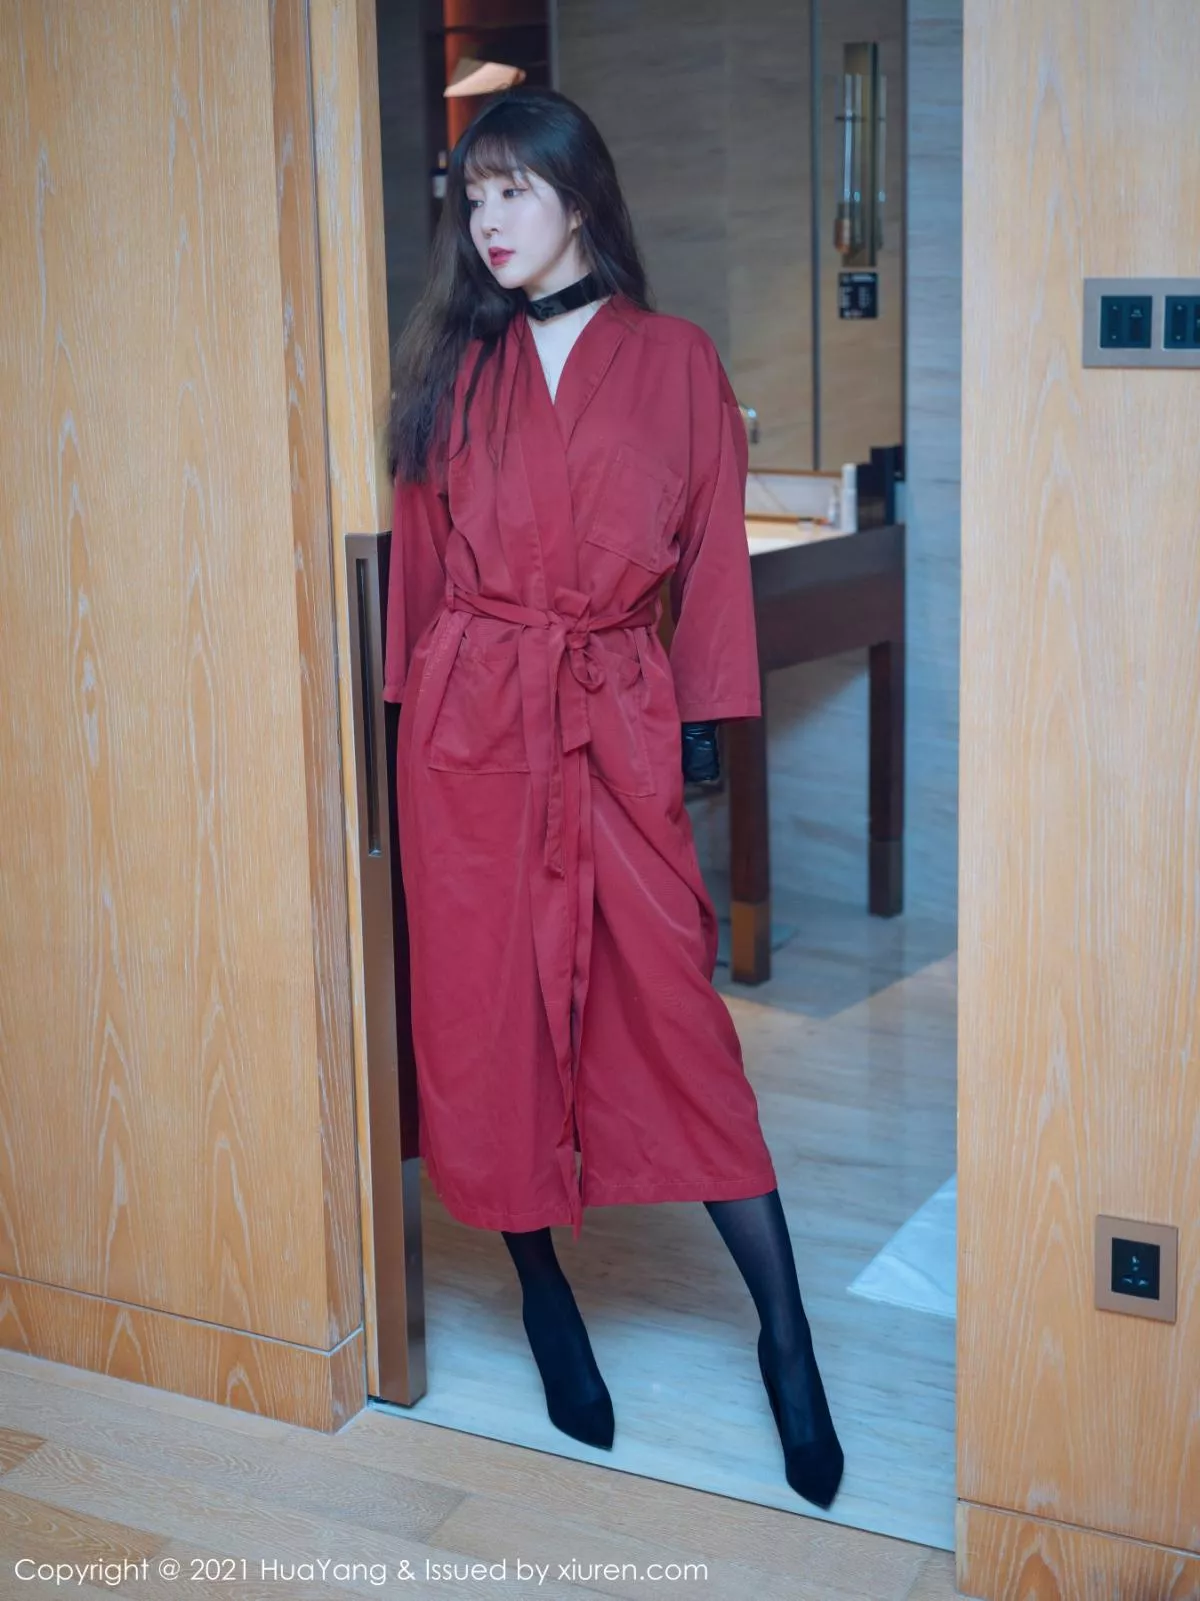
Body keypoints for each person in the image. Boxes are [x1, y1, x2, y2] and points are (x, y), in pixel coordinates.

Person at [383, 85, 843, 1512]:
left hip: (612, 720)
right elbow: (420, 574)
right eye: (473, 197)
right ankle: (542, 1293)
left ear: (579, 195)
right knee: (486, 1022)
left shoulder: (675, 359)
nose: (488, 220)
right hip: (469, 736)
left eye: (513, 190)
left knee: (676, 1021)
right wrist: (410, 727)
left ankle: (787, 1339)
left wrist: (695, 733)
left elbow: (709, 567)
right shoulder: (455, 369)